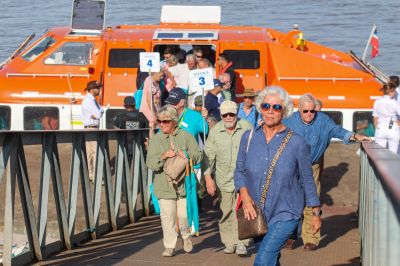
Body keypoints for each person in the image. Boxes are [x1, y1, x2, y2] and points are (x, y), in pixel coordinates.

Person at [234, 86, 321, 265]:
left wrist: (315, 212)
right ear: (260, 108)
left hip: (286, 212)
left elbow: (307, 179)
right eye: (266, 106)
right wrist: (244, 195)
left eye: (276, 107)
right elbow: (239, 170)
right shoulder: (248, 138)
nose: (270, 111)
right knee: (271, 259)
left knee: (262, 261)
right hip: (256, 212)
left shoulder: (297, 143)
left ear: (285, 111)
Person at [283, 93, 371, 251]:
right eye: (306, 111)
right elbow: (273, 134)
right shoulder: (289, 122)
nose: (309, 114)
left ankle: (311, 239)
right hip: (292, 166)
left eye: (312, 111)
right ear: (299, 110)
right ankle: (290, 235)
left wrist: (355, 136)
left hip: (312, 165)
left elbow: (338, 131)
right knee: (292, 201)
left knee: (312, 199)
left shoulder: (323, 120)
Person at [146, 105, 202, 257]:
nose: (162, 124)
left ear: (174, 122)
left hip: (184, 185)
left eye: (166, 121)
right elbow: (150, 163)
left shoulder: (186, 136)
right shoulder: (156, 139)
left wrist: (186, 154)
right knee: (168, 217)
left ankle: (186, 236)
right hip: (163, 185)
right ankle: (169, 246)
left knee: (184, 216)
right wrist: (163, 156)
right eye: (159, 121)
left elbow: (198, 155)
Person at [203, 100, 252, 256]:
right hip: (223, 179)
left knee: (243, 211)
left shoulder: (247, 128)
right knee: (226, 212)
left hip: (244, 179)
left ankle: (242, 242)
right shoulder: (215, 131)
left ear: (237, 114)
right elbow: (208, 156)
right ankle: (229, 242)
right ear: (221, 115)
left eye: (232, 114)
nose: (229, 117)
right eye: (225, 115)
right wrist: (208, 178)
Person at [81, 80, 104, 182]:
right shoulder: (89, 101)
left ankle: (91, 175)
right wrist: (97, 113)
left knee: (91, 153)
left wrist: (97, 113)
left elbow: (100, 111)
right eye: (97, 88)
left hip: (92, 127)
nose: (99, 90)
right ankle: (94, 176)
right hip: (91, 127)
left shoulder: (92, 100)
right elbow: (99, 114)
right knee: (93, 153)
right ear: (91, 89)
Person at [372, 83, 400, 153]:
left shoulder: (377, 101)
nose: (395, 93)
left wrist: (377, 128)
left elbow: (375, 118)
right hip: (393, 128)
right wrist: (399, 122)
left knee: (379, 154)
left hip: (380, 128)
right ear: (391, 91)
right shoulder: (395, 103)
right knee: (393, 154)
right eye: (394, 91)